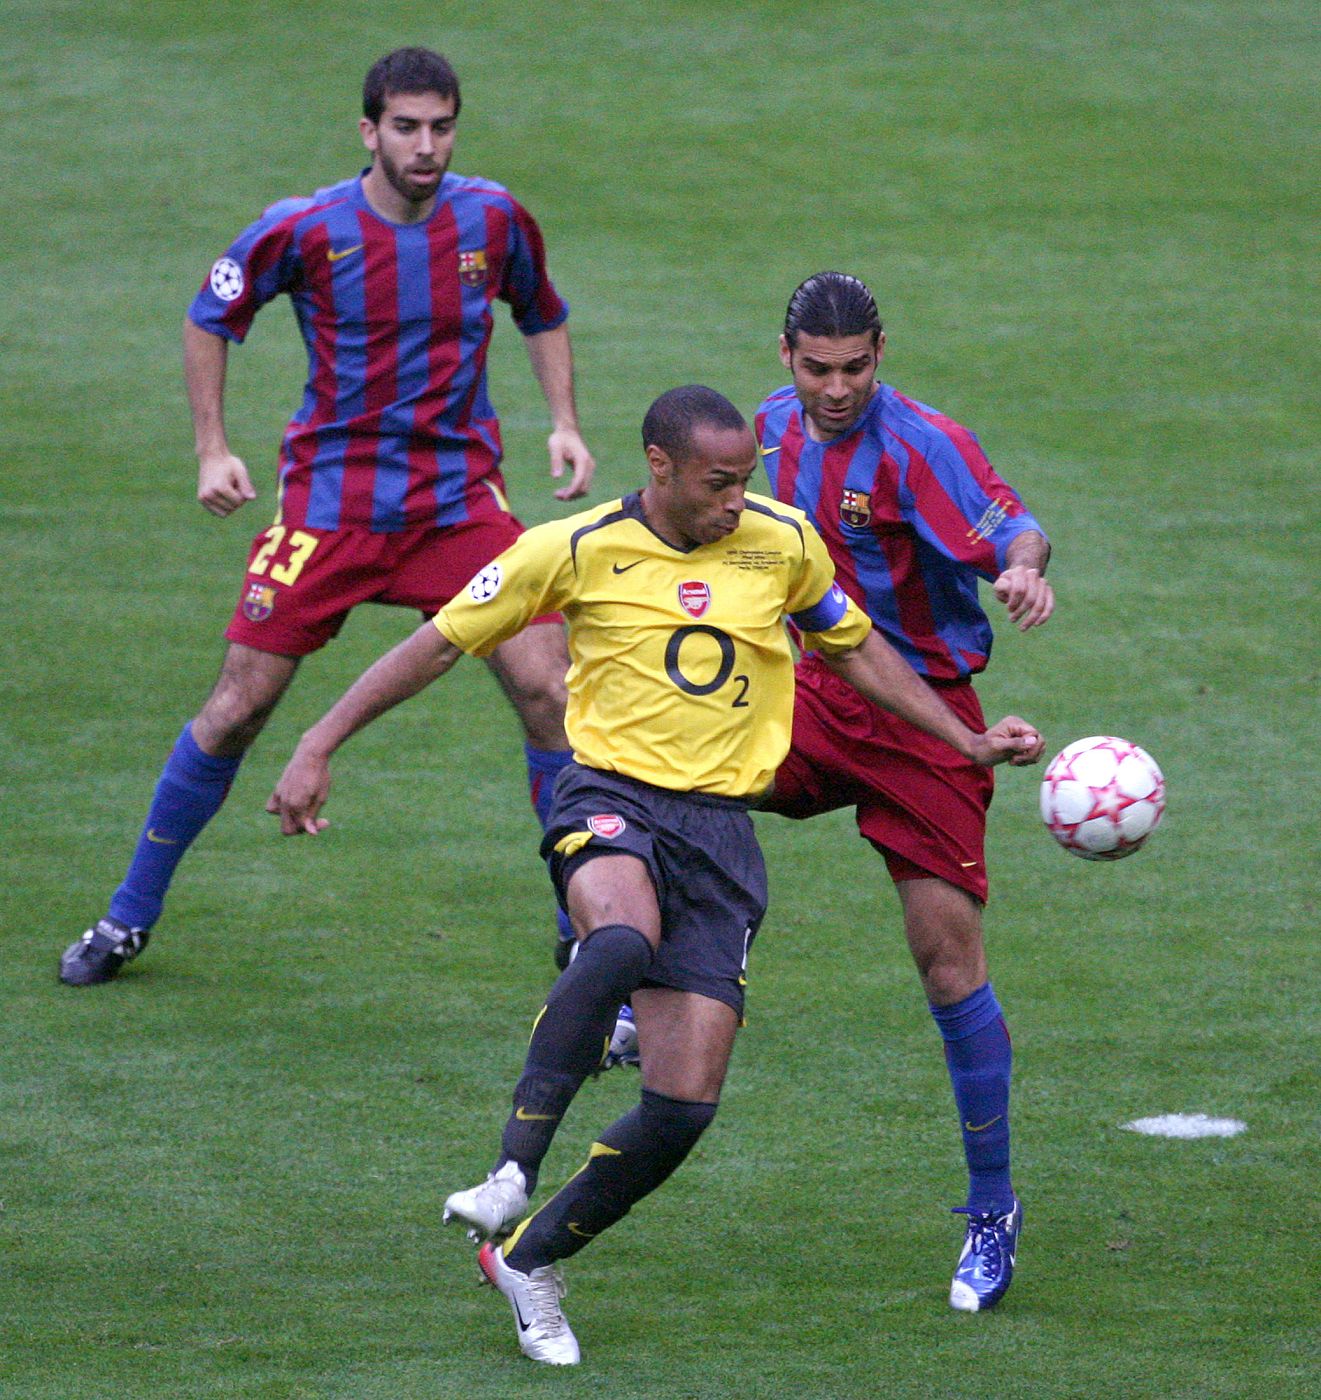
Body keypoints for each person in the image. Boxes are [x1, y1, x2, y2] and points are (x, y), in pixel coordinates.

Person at [267, 385, 1044, 1364]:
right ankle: (512, 1164)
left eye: (746, 481)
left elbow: (859, 652)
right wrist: (319, 739)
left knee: (681, 1107)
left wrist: (962, 739)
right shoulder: (575, 547)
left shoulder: (782, 542)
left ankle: (528, 1256)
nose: (734, 501)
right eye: (718, 483)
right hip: (611, 795)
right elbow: (435, 643)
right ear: (661, 467)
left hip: (719, 837)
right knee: (621, 934)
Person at [59, 47, 594, 986]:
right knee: (237, 708)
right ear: (368, 131)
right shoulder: (302, 229)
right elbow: (208, 318)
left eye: (441, 127)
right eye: (406, 127)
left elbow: (539, 312)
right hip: (330, 508)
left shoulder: (493, 217)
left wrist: (563, 424)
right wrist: (211, 448)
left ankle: (582, 932)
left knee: (549, 692)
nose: (425, 146)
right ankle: (127, 918)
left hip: (457, 508)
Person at [755, 272, 1055, 1312]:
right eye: (816, 368)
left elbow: (1012, 522)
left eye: (855, 367)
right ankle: (639, 966)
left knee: (945, 959)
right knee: (668, 763)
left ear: (880, 351)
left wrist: (1022, 568)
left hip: (928, 716)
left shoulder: (925, 445)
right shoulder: (759, 436)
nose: (835, 389)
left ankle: (990, 1211)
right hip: (808, 690)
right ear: (786, 354)